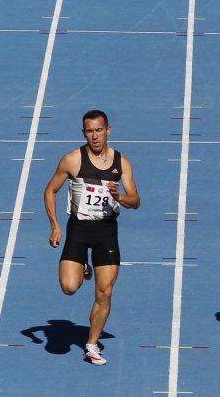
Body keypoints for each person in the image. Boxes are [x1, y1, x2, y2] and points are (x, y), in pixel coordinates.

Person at [44, 110, 140, 365]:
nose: (95, 136)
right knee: (69, 287)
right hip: (79, 229)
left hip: (107, 231)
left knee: (105, 292)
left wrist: (120, 197)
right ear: (83, 132)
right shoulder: (73, 160)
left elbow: (136, 201)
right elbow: (50, 191)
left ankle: (91, 344)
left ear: (108, 130)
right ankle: (83, 264)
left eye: (99, 130)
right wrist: (55, 226)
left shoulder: (122, 163)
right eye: (89, 131)